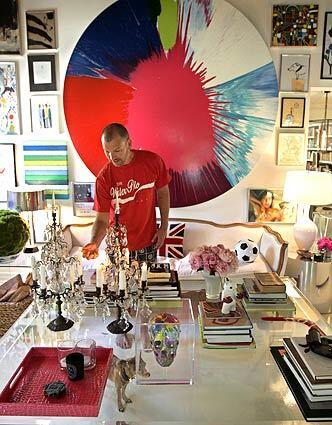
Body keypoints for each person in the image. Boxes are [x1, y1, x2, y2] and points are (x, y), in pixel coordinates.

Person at [82, 123, 170, 262]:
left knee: (146, 284)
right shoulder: (104, 179)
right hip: (116, 246)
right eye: (107, 152)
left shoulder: (152, 161)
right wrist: (94, 242)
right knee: (117, 284)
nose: (112, 157)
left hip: (147, 242)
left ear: (128, 143)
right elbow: (101, 220)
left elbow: (163, 193)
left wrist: (164, 226)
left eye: (117, 150)